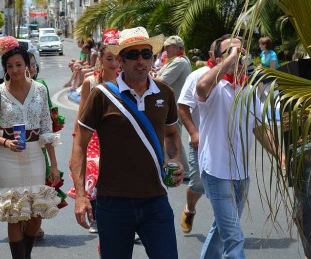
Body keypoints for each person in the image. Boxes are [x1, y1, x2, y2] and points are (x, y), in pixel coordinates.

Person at [70, 26, 184, 258]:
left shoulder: (165, 93)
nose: (140, 60)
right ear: (121, 59)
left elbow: (171, 133)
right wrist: (81, 196)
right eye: (132, 55)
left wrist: (175, 159)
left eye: (146, 54)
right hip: (113, 203)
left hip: (155, 201)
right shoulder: (102, 95)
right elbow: (80, 144)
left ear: (153, 58)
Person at [195, 36, 282, 258]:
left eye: (242, 52)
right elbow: (202, 87)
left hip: (241, 174)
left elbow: (260, 128)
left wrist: (280, 155)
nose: (238, 56)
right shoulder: (214, 87)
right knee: (234, 238)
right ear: (217, 59)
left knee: (220, 231)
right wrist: (231, 57)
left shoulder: (248, 90)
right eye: (231, 52)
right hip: (216, 172)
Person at [0, 36, 62, 259]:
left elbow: (47, 129)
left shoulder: (40, 90)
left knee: (36, 214)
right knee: (14, 213)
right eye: (9, 66)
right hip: (7, 158)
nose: (14, 70)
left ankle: (26, 254)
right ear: (5, 68)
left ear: (28, 65)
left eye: (18, 65)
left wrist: (53, 166)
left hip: (35, 154)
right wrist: (5, 142)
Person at [67, 31, 121, 235]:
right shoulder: (91, 82)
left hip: (117, 137)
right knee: (94, 174)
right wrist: (75, 150)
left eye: (118, 59)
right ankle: (96, 217)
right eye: (109, 59)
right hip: (93, 138)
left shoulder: (127, 82)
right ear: (100, 59)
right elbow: (81, 118)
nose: (114, 64)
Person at [177, 37, 224, 234]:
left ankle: (223, 226)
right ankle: (190, 208)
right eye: (226, 52)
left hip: (224, 145)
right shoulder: (199, 76)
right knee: (198, 184)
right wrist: (194, 134)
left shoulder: (239, 78)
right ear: (213, 55)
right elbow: (183, 106)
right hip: (200, 142)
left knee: (225, 188)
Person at [27, 52, 68, 240]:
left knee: (40, 184)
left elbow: (49, 121)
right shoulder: (4, 90)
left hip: (39, 144)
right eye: (30, 65)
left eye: (34, 65)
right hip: (15, 146)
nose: (32, 69)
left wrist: (54, 162)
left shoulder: (41, 86)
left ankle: (35, 224)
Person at [153, 35, 191, 179]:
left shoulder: (179, 62)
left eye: (168, 47)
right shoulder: (176, 61)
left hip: (173, 106)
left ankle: (184, 171)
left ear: (176, 48)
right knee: (166, 136)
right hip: (170, 105)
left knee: (172, 137)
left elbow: (162, 80)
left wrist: (148, 78)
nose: (166, 49)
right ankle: (165, 166)